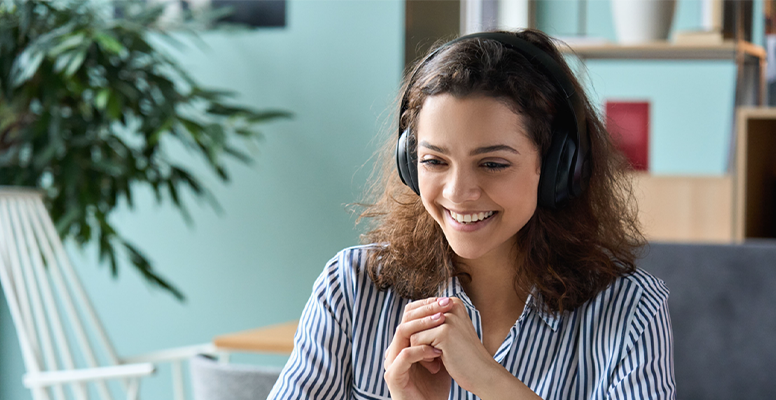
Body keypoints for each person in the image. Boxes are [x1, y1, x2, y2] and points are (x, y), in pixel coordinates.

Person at [268, 29, 675, 400]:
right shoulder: (351, 290)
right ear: (409, 163)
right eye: (434, 161)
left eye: (493, 164)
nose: (458, 193)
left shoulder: (631, 312)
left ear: (556, 169)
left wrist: (488, 379)